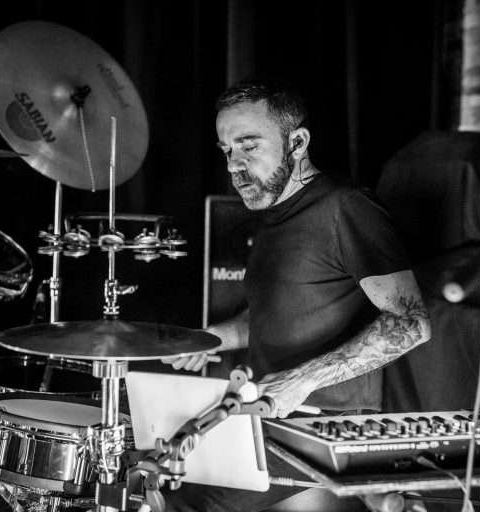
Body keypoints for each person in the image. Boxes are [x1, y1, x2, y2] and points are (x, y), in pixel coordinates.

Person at [161, 80, 431, 512]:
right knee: (159, 462)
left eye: (249, 146)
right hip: (267, 412)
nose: (234, 166)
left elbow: (412, 322)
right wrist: (212, 339)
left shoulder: (346, 207)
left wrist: (301, 381)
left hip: (322, 423)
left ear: (298, 142)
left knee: (185, 497)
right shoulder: (273, 216)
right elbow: (277, 314)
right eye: (227, 151)